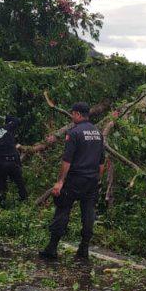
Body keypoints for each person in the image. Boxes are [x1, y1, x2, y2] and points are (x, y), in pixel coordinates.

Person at [39, 102, 105, 262]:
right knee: (88, 213)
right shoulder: (98, 133)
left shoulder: (74, 133)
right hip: (92, 180)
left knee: (62, 209)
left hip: (75, 179)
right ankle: (83, 250)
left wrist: (60, 182)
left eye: (72, 114)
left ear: (77, 114)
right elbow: (101, 162)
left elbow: (67, 160)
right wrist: (98, 180)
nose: (72, 117)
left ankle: (52, 248)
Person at [0, 115, 27, 206]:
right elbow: (17, 119)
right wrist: (7, 118)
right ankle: (25, 201)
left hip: (2, 163)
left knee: (1, 184)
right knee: (19, 182)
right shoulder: (6, 127)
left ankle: (2, 203)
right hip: (14, 161)